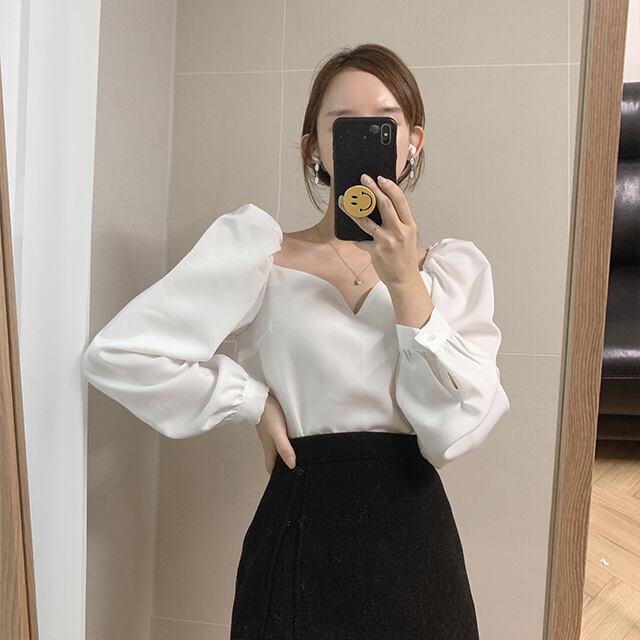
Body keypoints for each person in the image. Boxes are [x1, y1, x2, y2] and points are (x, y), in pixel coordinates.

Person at [82, 43, 510, 639]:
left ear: (414, 141)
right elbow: (119, 353)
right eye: (343, 124)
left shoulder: (451, 273)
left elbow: (457, 429)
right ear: (315, 147)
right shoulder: (259, 253)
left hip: (415, 544)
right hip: (299, 529)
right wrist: (250, 401)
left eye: (385, 122)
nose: (365, 135)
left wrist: (405, 283)